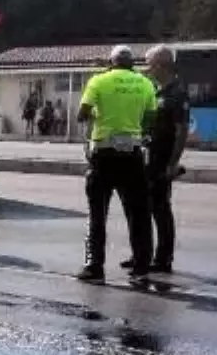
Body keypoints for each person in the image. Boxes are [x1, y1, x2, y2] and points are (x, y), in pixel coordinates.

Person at [76, 45, 157, 285]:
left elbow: (82, 114)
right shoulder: (145, 84)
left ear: (111, 62)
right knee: (138, 213)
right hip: (132, 154)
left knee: (97, 213)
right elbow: (151, 119)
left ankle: (94, 266)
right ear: (132, 63)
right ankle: (142, 268)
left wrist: (99, 115)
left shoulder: (98, 81)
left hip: (104, 154)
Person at [121, 45, 190, 274]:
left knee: (160, 208)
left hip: (162, 160)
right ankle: (141, 254)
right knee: (142, 208)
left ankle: (163, 258)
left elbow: (181, 131)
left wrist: (172, 163)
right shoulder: (155, 90)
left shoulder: (177, 94)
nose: (147, 69)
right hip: (146, 158)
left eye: (150, 64)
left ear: (161, 65)